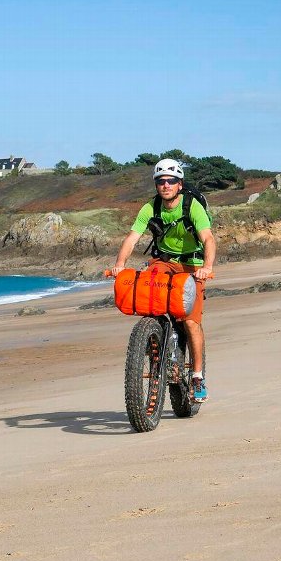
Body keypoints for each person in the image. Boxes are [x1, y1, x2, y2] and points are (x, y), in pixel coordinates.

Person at [109, 158, 216, 402]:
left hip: (193, 264)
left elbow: (208, 239)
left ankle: (198, 376)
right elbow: (132, 237)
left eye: (171, 181)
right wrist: (119, 265)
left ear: (180, 184)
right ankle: (153, 336)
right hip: (164, 261)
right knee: (150, 297)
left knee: (190, 321)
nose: (165, 185)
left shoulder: (192, 206)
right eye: (161, 181)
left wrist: (207, 267)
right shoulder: (150, 207)